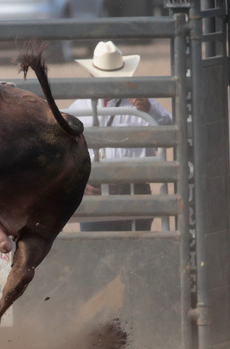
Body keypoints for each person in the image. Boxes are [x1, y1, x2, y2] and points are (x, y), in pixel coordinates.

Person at [67, 41, 172, 232]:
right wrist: (78, 184)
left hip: (134, 191)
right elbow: (64, 154)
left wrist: (149, 109)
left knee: (134, 251)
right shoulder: (79, 109)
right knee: (98, 253)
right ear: (92, 76)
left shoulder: (141, 104)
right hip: (95, 192)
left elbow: (171, 130)